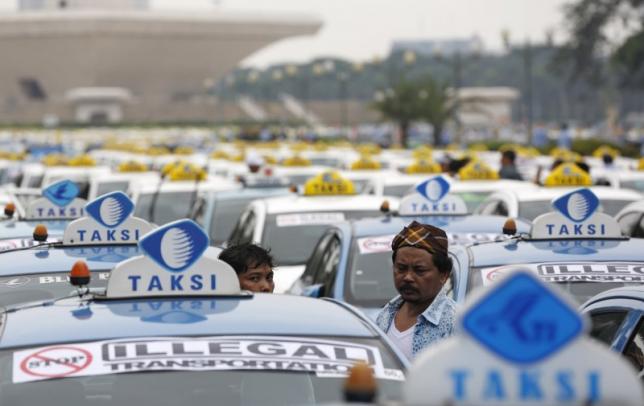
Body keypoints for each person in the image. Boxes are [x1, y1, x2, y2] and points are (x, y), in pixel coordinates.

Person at [376, 221, 455, 360]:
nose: (408, 277)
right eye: (401, 268)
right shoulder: (384, 316)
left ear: (444, 274)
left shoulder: (455, 324)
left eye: (419, 270)